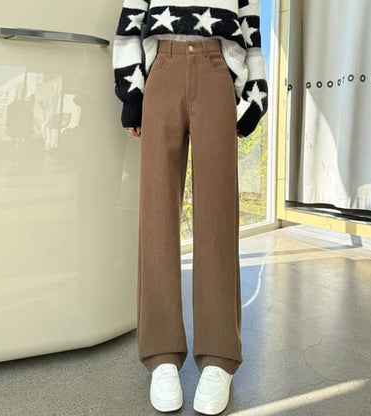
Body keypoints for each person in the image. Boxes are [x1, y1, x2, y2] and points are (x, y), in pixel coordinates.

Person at [112, 0, 268, 414]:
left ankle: (219, 357)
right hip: (161, 68)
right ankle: (161, 355)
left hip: (217, 70)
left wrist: (255, 96)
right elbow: (131, 21)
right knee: (157, 216)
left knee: (218, 217)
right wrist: (131, 92)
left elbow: (251, 28)